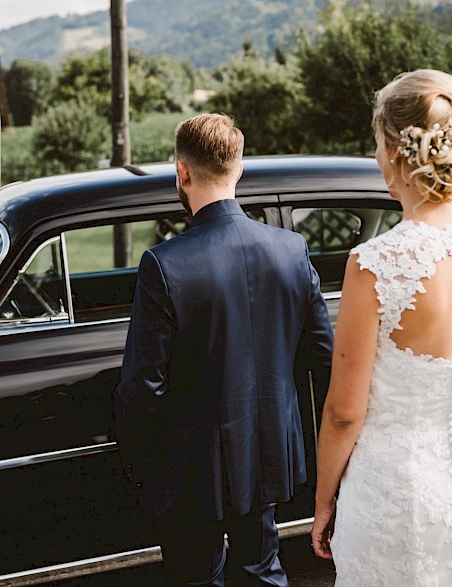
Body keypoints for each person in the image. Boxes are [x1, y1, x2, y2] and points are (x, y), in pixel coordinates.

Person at [310, 69, 452, 586]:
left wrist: (324, 502)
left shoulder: (375, 264)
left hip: (392, 487)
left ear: (397, 152)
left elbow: (345, 412)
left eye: (378, 144)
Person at [115, 113, 334, 586]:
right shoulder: (290, 249)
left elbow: (143, 383)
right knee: (262, 570)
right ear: (238, 170)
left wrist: (139, 465)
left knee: (195, 576)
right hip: (270, 450)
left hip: (190, 466)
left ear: (182, 172)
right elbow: (323, 355)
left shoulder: (164, 264)